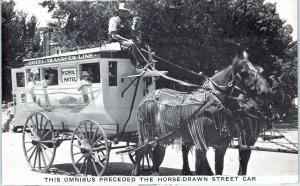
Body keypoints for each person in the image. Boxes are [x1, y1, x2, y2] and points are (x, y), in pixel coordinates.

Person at [108, 3, 146, 69]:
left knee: (144, 46)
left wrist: (136, 39)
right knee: (131, 44)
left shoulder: (127, 22)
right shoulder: (114, 20)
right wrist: (126, 40)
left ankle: (146, 65)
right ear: (119, 12)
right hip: (116, 43)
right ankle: (138, 66)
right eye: (123, 11)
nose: (125, 13)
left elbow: (132, 35)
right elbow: (114, 35)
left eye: (126, 12)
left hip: (126, 43)